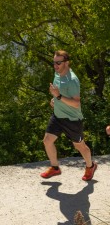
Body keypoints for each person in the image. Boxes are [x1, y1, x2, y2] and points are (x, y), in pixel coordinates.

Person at [40, 50, 97, 181]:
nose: (55, 65)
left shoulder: (72, 80)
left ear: (67, 63)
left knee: (80, 146)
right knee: (47, 141)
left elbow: (76, 103)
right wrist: (55, 100)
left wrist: (58, 96)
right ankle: (55, 168)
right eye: (54, 62)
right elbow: (60, 94)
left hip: (72, 120)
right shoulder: (57, 73)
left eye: (58, 63)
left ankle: (90, 166)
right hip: (57, 116)